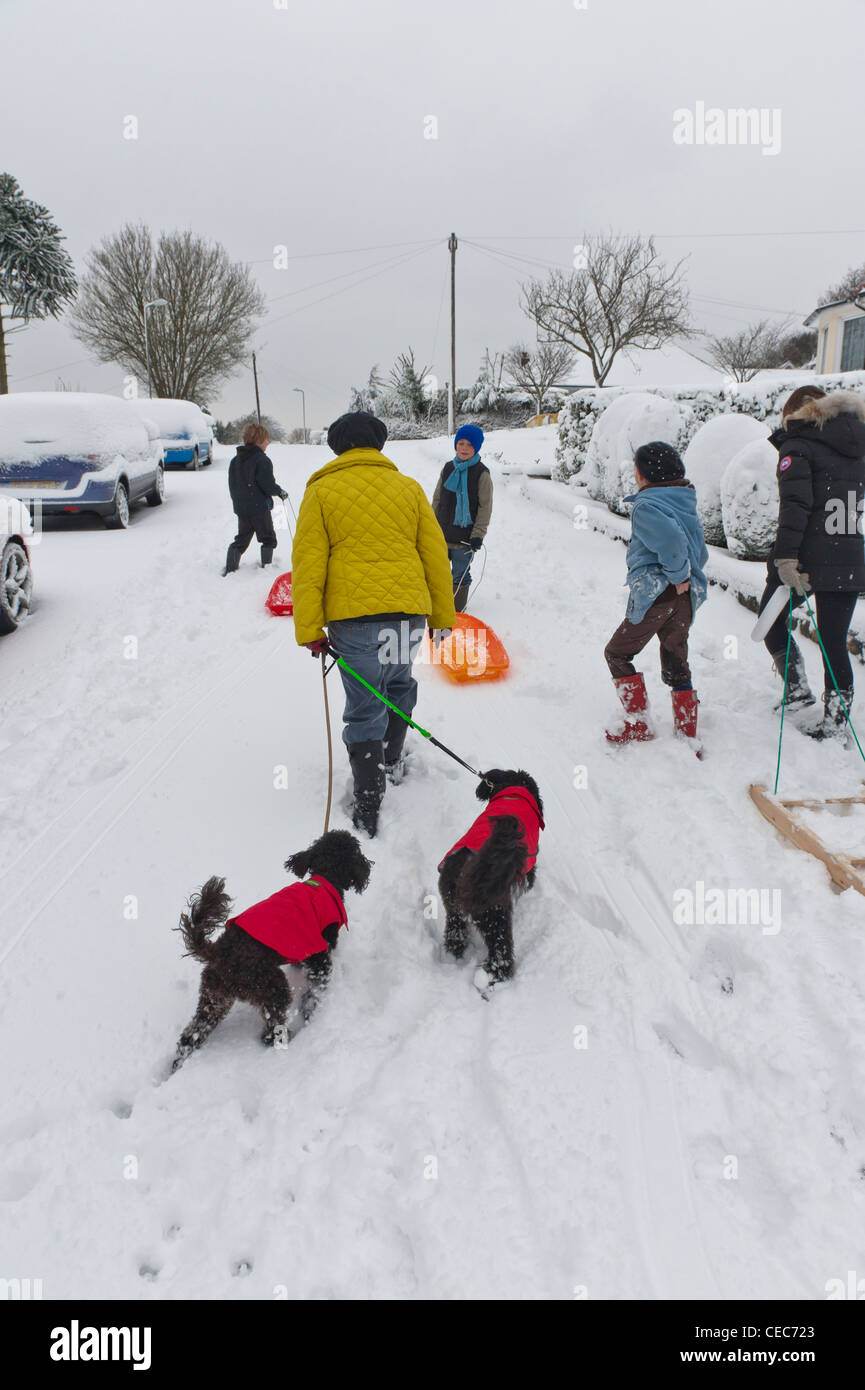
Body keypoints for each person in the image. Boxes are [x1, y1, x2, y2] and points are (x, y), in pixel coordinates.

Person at [292, 411, 455, 837]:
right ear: (379, 444)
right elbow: (435, 556)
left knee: (366, 703)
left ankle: (369, 797)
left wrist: (309, 627)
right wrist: (442, 616)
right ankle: (392, 757)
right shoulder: (409, 489)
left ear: (337, 446)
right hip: (408, 615)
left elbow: (309, 565)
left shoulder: (321, 491)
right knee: (399, 684)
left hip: (354, 621)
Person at [757, 386, 865, 741]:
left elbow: (795, 507)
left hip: (804, 558)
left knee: (770, 619)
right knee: (834, 640)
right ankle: (836, 722)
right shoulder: (857, 446)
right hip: (848, 557)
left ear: (796, 414)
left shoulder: (797, 445)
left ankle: (797, 690)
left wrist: (785, 557)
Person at [604, 442, 708, 746]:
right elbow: (698, 550)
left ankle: (638, 722)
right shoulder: (683, 500)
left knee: (617, 653)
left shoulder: (647, 505)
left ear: (642, 473)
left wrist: (677, 576)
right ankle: (687, 733)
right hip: (685, 597)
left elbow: (673, 544)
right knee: (675, 656)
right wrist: (686, 579)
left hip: (658, 594)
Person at [432, 423, 493, 612]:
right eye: (461, 443)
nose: (464, 448)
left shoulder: (481, 474)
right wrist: (430, 525)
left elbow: (485, 508)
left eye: (469, 445)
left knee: (460, 575)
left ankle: (458, 613)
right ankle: (439, 609)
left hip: (465, 539)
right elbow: (437, 499)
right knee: (438, 575)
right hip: (442, 535)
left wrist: (478, 535)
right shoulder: (448, 468)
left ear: (476, 448)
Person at [222, 422, 288, 575]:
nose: (268, 443)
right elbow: (267, 484)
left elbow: (233, 484)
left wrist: (238, 502)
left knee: (242, 539)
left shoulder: (235, 461)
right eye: (266, 440)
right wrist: (279, 492)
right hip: (259, 508)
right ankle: (267, 568)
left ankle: (230, 568)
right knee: (268, 537)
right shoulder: (262, 460)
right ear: (258, 441)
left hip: (243, 509)